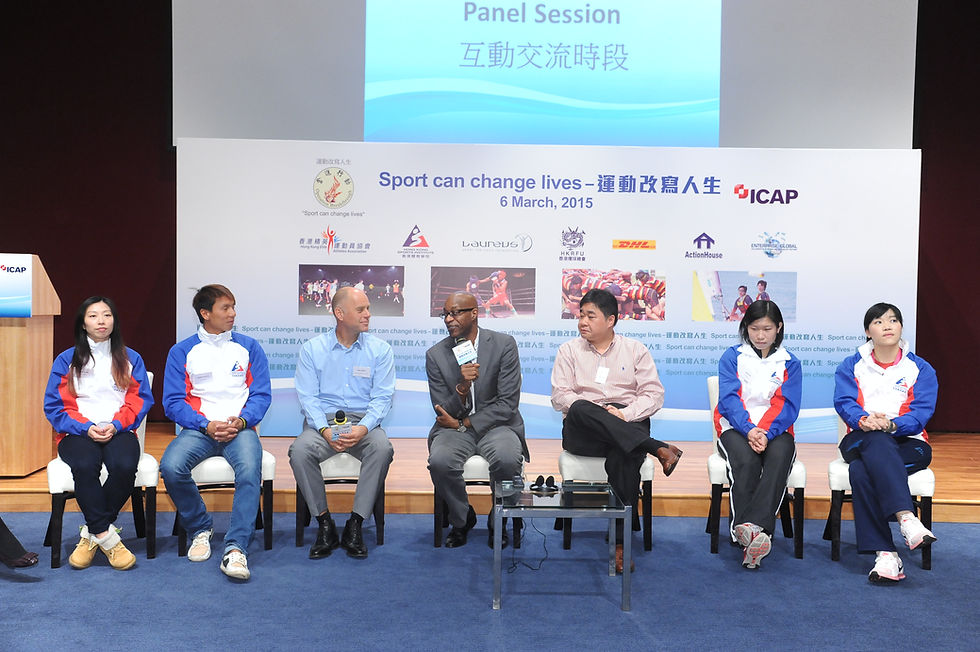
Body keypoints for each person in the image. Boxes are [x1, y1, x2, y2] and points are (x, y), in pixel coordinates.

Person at [551, 288, 682, 572]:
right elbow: (560, 396)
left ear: (611, 320)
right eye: (580, 315)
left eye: (590, 315)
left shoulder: (635, 350)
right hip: (584, 430)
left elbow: (653, 395)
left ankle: (620, 544)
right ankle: (656, 447)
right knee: (581, 406)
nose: (582, 321)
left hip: (626, 421)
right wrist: (600, 413)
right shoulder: (568, 351)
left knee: (624, 455)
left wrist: (623, 414)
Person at [160, 284, 271, 581]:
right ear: (205, 313)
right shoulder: (182, 351)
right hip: (200, 428)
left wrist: (243, 420)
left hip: (240, 428)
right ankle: (200, 528)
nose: (233, 313)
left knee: (249, 471)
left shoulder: (249, 347)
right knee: (170, 467)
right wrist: (204, 424)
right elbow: (172, 402)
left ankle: (236, 547)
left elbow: (261, 394)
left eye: (234, 306)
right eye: (225, 308)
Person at [43, 296, 154, 570]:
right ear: (83, 323)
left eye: (107, 315)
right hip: (77, 433)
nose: (101, 321)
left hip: (120, 430)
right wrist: (86, 428)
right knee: (84, 464)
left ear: (114, 322)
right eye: (93, 316)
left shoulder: (131, 358)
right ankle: (108, 539)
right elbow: (54, 407)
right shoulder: (66, 359)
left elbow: (140, 401)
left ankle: (91, 534)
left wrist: (115, 425)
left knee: (126, 465)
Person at [834, 302, 938, 583]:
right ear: (868, 331)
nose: (887, 326)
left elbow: (920, 413)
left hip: (910, 443)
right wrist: (865, 420)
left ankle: (886, 556)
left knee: (861, 472)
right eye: (879, 322)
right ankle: (906, 518)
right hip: (860, 438)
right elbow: (844, 403)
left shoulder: (921, 368)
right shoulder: (851, 365)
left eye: (893, 320)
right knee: (876, 441)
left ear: (901, 327)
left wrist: (892, 425)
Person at [289, 287, 395, 560]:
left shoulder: (380, 350)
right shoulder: (312, 349)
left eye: (368, 308)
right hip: (322, 424)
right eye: (361, 309)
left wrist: (363, 428)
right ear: (339, 313)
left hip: (363, 423)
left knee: (382, 448)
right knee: (299, 451)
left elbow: (382, 398)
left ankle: (355, 523)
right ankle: (324, 523)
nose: (368, 314)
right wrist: (324, 430)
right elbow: (308, 397)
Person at [426, 292, 527, 548]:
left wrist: (467, 424)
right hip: (453, 427)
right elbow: (442, 410)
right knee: (440, 462)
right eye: (445, 314)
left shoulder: (503, 344)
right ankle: (462, 519)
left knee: (507, 458)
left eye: (455, 312)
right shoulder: (436, 355)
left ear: (474, 313)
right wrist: (462, 387)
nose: (449, 319)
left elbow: (507, 404)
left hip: (497, 425)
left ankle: (499, 518)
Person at [714, 300, 801, 569]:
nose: (760, 335)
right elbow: (729, 400)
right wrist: (750, 429)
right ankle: (755, 535)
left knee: (779, 458)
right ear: (745, 328)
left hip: (776, 430)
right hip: (736, 427)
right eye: (754, 329)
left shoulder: (790, 362)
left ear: (779, 328)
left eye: (767, 329)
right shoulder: (732, 357)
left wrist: (766, 432)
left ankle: (750, 530)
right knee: (748, 461)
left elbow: (787, 405)